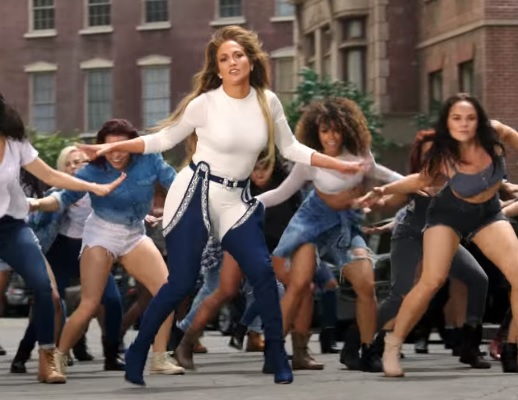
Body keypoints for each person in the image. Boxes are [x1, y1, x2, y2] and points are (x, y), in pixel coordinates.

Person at [78, 25, 365, 386]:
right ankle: (138, 351)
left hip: (234, 198)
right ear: (217, 68)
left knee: (262, 272)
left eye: (238, 55)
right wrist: (109, 147)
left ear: (250, 61)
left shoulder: (267, 102)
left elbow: (291, 147)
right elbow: (163, 139)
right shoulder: (205, 103)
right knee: (181, 281)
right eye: (224, 58)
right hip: (195, 191)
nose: (232, 62)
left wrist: (337, 163)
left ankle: (277, 356)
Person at [357, 93, 518, 377]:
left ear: (479, 120)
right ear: (448, 122)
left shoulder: (495, 133)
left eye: (470, 118)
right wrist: (384, 190)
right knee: (432, 281)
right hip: (448, 215)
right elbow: (419, 180)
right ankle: (392, 345)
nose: (464, 124)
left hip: (488, 213)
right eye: (457, 118)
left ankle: (512, 347)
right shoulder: (445, 155)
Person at [256, 97, 403, 371]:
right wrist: (246, 205)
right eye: (325, 130)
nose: (331, 136)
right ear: (316, 132)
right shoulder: (310, 159)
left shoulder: (360, 154)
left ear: (346, 130)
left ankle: (368, 351)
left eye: (336, 130)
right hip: (310, 224)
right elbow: (281, 193)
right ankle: (274, 351)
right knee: (299, 284)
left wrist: (415, 183)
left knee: (366, 284)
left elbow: (385, 175)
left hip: (343, 226)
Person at [32, 119, 184, 381]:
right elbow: (61, 198)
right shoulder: (91, 171)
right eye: (108, 147)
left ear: (133, 145)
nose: (115, 153)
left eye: (121, 147)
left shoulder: (150, 160)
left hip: (134, 234)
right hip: (101, 234)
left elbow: (179, 185)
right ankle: (57, 358)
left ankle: (160, 357)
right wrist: (34, 204)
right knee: (90, 304)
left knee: (167, 292)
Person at [0, 93, 123, 383]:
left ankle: (47, 361)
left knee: (47, 289)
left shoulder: (15, 143)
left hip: (12, 227)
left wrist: (92, 186)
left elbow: (52, 177)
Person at [369, 130, 489, 369]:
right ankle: (370, 344)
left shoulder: (459, 179)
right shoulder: (416, 181)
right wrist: (371, 203)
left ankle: (470, 345)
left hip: (444, 239)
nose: (432, 158)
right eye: (426, 155)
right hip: (411, 237)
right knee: (401, 293)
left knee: (478, 278)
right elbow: (390, 204)